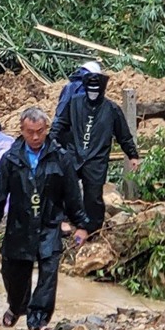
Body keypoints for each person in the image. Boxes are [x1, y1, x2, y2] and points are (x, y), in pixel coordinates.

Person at [0, 107, 88, 330]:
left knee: (48, 273)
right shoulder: (11, 158)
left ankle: (38, 320)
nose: (36, 137)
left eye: (40, 131)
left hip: (49, 224)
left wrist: (81, 224)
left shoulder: (60, 157)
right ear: (22, 130)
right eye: (31, 132)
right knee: (13, 271)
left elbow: (72, 194)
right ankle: (17, 306)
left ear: (46, 129)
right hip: (19, 225)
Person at [50, 68, 140, 236]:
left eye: (96, 91)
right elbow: (60, 122)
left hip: (96, 158)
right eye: (90, 90)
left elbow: (124, 135)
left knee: (93, 196)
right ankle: (61, 222)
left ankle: (93, 230)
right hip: (74, 152)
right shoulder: (74, 102)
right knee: (61, 185)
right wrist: (51, 140)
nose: (93, 93)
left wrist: (132, 154)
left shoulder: (112, 109)